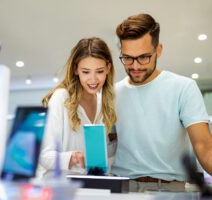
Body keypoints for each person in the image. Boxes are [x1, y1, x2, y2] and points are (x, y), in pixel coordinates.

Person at [111, 13, 212, 192]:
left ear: (158, 50)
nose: (135, 66)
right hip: (122, 188)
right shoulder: (112, 94)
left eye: (143, 57)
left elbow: (204, 146)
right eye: (127, 58)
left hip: (170, 190)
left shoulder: (183, 87)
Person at [36, 37, 117, 178]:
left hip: (89, 188)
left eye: (99, 71)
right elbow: (44, 156)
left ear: (108, 69)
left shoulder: (103, 103)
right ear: (75, 69)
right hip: (60, 188)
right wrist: (74, 157)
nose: (93, 79)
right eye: (86, 72)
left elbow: (101, 153)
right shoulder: (61, 98)